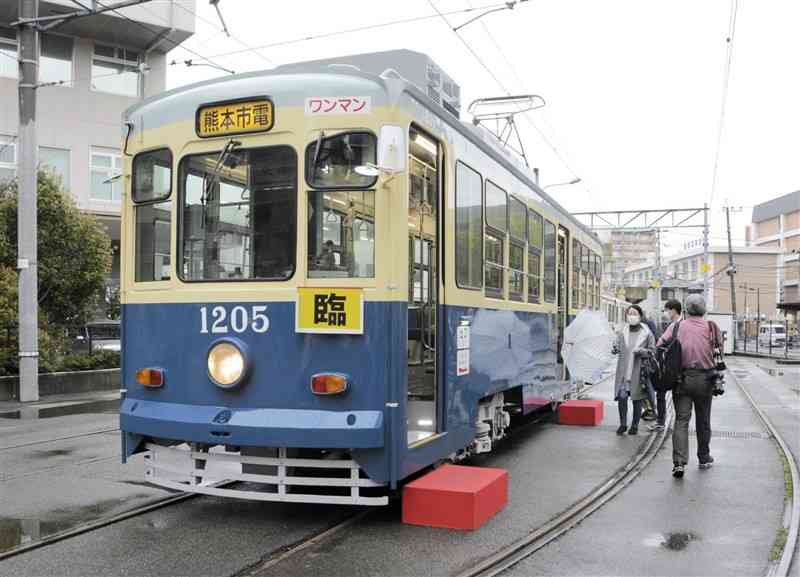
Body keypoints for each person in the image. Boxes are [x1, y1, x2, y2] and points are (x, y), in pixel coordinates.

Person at [658, 294, 722, 479]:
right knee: (703, 420)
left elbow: (660, 345)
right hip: (706, 380)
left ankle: (679, 463)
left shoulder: (677, 326)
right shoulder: (712, 327)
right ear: (704, 309)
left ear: (685, 309)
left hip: (682, 379)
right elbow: (719, 352)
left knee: (681, 421)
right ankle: (703, 457)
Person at [613, 305, 656, 436]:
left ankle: (635, 425)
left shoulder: (647, 333)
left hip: (639, 372)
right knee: (622, 398)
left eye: (634, 313)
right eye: (629, 313)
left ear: (640, 316)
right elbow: (617, 347)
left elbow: (653, 351)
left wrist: (643, 351)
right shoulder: (622, 331)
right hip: (623, 372)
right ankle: (623, 424)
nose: (631, 316)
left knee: (637, 400)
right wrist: (615, 348)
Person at [647, 299, 682, 432]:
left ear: (673, 310)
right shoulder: (679, 324)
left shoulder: (674, 326)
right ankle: (676, 423)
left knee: (661, 393)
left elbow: (661, 342)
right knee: (676, 395)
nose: (665, 313)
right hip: (677, 366)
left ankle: (661, 422)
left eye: (666, 310)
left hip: (670, 366)